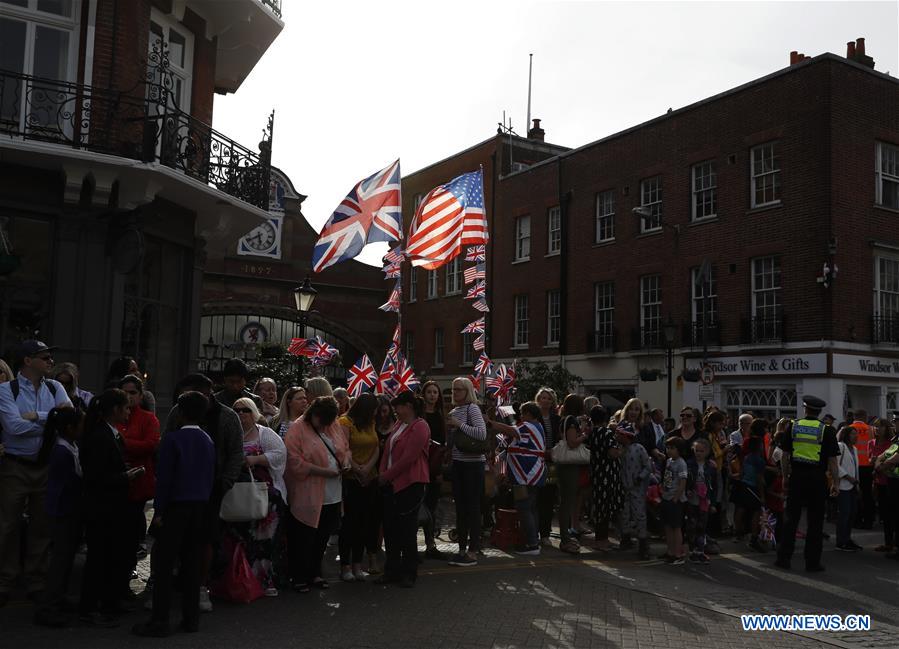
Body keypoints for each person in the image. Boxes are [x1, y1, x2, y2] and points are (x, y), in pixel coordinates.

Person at [132, 391, 215, 638]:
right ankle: (191, 618)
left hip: (176, 507)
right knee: (192, 563)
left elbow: (166, 479)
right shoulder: (207, 440)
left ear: (180, 412)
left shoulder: (172, 439)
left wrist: (159, 510)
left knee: (165, 564)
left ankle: (160, 619)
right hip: (200, 507)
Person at [0, 340, 72, 607]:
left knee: (42, 527)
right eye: (45, 357)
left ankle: (36, 581)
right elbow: (13, 427)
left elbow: (68, 419)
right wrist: (50, 420)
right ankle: (5, 581)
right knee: (7, 526)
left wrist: (34, 416)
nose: (51, 361)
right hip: (15, 467)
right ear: (27, 361)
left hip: (46, 465)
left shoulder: (55, 387)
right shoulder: (6, 390)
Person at [163, 373, 243, 613]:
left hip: (211, 489)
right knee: (170, 541)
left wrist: (225, 482)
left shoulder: (227, 416)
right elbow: (165, 445)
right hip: (178, 490)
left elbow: (235, 452)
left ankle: (200, 586)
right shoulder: (178, 412)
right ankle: (164, 585)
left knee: (205, 541)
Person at [78, 389, 143, 627]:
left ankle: (108, 602)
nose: (128, 412)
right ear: (115, 409)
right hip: (101, 507)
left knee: (110, 556)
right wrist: (125, 476)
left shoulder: (109, 434)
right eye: (125, 408)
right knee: (98, 558)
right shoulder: (100, 436)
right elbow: (95, 476)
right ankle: (90, 607)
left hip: (111, 507)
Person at [284, 396, 349, 593]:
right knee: (304, 536)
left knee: (322, 536)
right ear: (313, 414)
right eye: (321, 421)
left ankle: (315, 572)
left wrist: (346, 462)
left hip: (332, 492)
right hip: (308, 491)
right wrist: (323, 471)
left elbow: (345, 448)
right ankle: (299, 576)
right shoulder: (297, 429)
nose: (324, 426)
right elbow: (294, 462)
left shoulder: (333, 425)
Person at [229, 397, 287, 595]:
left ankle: (266, 580)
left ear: (253, 412)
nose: (241, 414)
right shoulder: (230, 433)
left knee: (266, 540)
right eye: (236, 410)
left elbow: (280, 454)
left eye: (245, 410)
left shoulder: (265, 433)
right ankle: (240, 580)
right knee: (238, 539)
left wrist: (255, 459)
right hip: (236, 494)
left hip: (265, 494)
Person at [775, 395, 840, 572]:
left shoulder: (793, 426)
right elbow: (833, 461)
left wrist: (785, 477)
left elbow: (785, 455)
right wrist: (836, 483)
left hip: (797, 477)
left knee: (791, 519)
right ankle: (812, 562)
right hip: (817, 479)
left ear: (805, 409)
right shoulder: (826, 430)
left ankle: (784, 558)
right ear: (819, 412)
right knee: (815, 522)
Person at [34, 408, 85, 627]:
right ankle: (48, 606)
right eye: (81, 424)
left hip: (68, 510)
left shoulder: (70, 446)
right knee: (60, 560)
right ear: (70, 428)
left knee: (65, 558)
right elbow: (72, 482)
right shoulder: (61, 452)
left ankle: (59, 597)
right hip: (64, 511)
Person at [377, 391, 430, 586]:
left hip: (410, 483)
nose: (395, 411)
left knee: (407, 530)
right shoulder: (399, 424)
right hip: (391, 484)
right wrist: (382, 473)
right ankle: (392, 570)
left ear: (408, 406)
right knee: (390, 529)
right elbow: (387, 452)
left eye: (398, 407)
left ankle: (409, 572)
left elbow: (409, 458)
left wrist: (386, 476)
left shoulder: (420, 426)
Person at [117, 375, 160, 580]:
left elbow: (150, 445)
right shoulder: (112, 416)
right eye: (124, 392)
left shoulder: (148, 418)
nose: (129, 396)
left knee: (133, 525)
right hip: (114, 481)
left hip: (139, 481)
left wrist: (122, 443)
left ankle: (130, 564)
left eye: (133, 392)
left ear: (141, 395)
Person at [490, 401, 546, 556]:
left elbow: (510, 430)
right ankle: (533, 540)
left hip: (525, 475)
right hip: (531, 474)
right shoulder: (537, 427)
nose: (520, 417)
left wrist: (490, 423)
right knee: (531, 508)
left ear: (528, 413)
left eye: (522, 413)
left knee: (524, 508)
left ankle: (532, 544)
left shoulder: (528, 426)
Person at [338, 393, 380, 582]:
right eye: (374, 410)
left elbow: (376, 446)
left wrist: (368, 468)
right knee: (349, 523)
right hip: (351, 479)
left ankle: (357, 564)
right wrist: (357, 469)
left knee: (364, 523)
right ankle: (345, 565)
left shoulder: (370, 423)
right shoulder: (345, 422)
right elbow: (343, 449)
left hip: (369, 478)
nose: (376, 413)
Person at [446, 377, 487, 567]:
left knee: (472, 508)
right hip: (458, 463)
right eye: (453, 389)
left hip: (473, 465)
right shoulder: (454, 411)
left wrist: (459, 424)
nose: (455, 393)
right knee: (460, 508)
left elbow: (481, 433)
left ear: (468, 391)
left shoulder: (473, 408)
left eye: (459, 389)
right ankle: (462, 549)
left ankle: (472, 551)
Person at [556, 394, 589, 554]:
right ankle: (565, 539)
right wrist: (584, 435)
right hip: (569, 465)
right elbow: (572, 442)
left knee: (566, 501)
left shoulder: (564, 419)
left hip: (565, 465)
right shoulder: (571, 420)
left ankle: (566, 537)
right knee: (567, 502)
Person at [587, 405, 623, 552]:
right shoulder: (607, 433)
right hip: (608, 474)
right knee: (606, 508)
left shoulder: (591, 433)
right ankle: (602, 540)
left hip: (596, 472)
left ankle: (600, 539)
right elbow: (613, 453)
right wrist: (621, 449)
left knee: (599, 506)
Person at [616, 422, 652, 560]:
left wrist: (640, 477)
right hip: (623, 487)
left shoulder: (639, 448)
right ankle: (625, 538)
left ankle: (643, 543)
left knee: (639, 514)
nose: (617, 437)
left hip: (637, 488)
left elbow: (647, 466)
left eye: (619, 435)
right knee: (624, 514)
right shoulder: (619, 449)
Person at [421, 380, 446, 559]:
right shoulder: (419, 415)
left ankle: (430, 544)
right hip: (419, 463)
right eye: (429, 392)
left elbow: (443, 444)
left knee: (431, 506)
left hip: (435, 465)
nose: (432, 395)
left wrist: (439, 471)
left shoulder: (440, 415)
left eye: (435, 392)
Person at [535, 387, 560, 547]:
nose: (546, 400)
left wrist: (553, 450)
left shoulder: (556, 419)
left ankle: (545, 533)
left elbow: (559, 438)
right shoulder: (534, 417)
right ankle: (535, 531)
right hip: (536, 460)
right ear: (538, 400)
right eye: (543, 397)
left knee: (548, 498)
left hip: (551, 461)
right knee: (536, 498)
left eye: (549, 398)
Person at [686, 438, 717, 564]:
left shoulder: (711, 466)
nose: (698, 453)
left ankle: (700, 551)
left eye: (701, 451)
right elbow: (684, 481)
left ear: (707, 452)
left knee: (702, 526)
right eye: (696, 450)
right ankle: (692, 551)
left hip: (705, 500)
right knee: (692, 525)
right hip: (692, 499)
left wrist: (713, 503)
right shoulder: (689, 464)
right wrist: (687, 490)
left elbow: (714, 486)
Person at [733, 436, 766, 551]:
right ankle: (754, 538)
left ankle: (738, 532)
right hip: (753, 488)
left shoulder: (747, 457)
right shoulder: (759, 461)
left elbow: (742, 472)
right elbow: (759, 478)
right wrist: (762, 496)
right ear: (759, 446)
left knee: (740, 509)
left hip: (743, 485)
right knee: (756, 513)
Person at [661, 436, 688, 565]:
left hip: (675, 499)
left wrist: (676, 497)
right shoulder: (669, 461)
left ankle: (678, 553)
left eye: (672, 448)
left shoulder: (681, 463)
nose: (669, 450)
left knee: (676, 527)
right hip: (666, 496)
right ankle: (670, 551)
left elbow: (683, 482)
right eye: (668, 448)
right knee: (667, 526)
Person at [869, 418, 894, 552]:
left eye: (880, 427)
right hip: (878, 481)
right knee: (884, 514)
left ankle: (892, 543)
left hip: (889, 481)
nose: (877, 429)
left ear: (886, 428)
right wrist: (872, 460)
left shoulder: (891, 443)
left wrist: (879, 463)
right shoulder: (872, 443)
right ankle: (888, 542)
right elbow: (870, 460)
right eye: (875, 427)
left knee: (891, 513)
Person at [836, 425, 862, 551]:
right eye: (852, 434)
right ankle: (841, 542)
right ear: (846, 435)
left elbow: (855, 468)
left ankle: (847, 538)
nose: (855, 436)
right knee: (844, 514)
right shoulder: (840, 446)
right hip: (843, 486)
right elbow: (835, 465)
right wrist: (847, 477)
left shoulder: (855, 449)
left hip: (853, 486)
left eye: (856, 434)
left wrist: (857, 484)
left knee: (852, 513)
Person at [849, 410, 874, 529]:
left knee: (854, 494)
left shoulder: (847, 429)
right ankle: (868, 521)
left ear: (854, 416)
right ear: (864, 417)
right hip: (868, 466)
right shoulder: (871, 429)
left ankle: (856, 520)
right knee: (867, 494)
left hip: (852, 466)